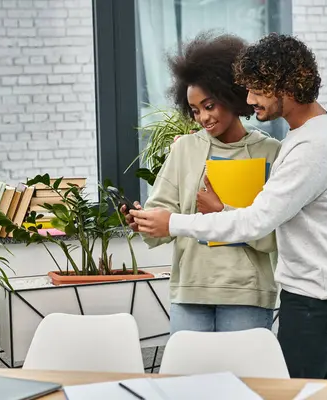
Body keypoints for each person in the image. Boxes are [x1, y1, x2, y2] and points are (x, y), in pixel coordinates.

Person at [127, 33, 327, 380]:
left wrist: (175, 222)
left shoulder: (309, 147)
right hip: (317, 292)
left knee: (289, 390)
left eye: (256, 89)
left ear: (285, 86)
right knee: (319, 388)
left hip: (320, 297)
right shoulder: (312, 134)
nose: (249, 99)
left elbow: (257, 222)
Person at [129, 32, 281, 334]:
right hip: (190, 292)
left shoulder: (271, 153)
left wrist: (220, 210)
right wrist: (144, 223)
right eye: (195, 110)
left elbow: (275, 237)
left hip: (247, 295)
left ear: (231, 94)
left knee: (244, 380)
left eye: (209, 106)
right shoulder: (184, 149)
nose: (203, 118)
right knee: (189, 381)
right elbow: (161, 221)